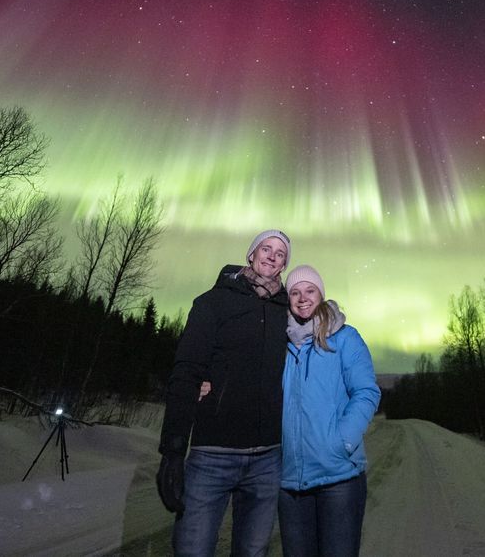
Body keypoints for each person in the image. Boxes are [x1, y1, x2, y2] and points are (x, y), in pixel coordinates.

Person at [156, 229, 291, 557]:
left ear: (285, 264)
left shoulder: (288, 313)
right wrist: (173, 451)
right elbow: (186, 372)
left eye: (281, 253)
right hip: (212, 456)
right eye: (266, 248)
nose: (272, 256)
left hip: (267, 460)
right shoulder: (212, 303)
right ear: (251, 254)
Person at [278, 264, 381, 557]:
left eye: (310, 290)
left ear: (321, 294)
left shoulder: (345, 338)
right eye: (294, 292)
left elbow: (366, 392)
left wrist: (341, 442)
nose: (302, 298)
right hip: (291, 483)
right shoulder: (280, 343)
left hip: (339, 479)